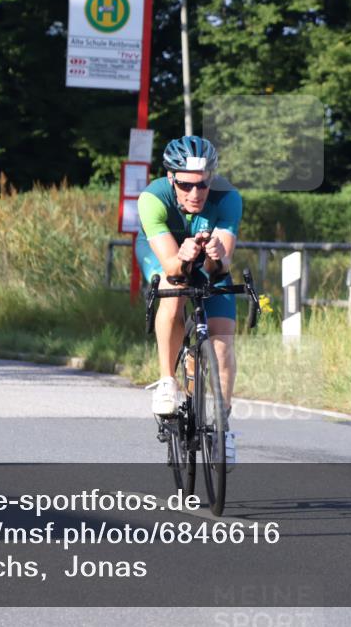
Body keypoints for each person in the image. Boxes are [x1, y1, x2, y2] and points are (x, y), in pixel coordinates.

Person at [136, 135, 242, 467]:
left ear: (211, 178)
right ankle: (167, 381)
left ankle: (222, 428)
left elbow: (220, 268)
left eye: (203, 184)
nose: (195, 193)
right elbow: (172, 267)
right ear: (171, 178)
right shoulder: (153, 199)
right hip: (166, 256)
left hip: (206, 261)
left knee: (221, 341)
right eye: (185, 185)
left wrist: (215, 257)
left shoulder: (228, 198)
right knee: (175, 289)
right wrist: (183, 258)